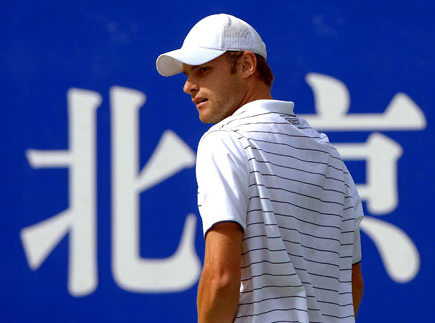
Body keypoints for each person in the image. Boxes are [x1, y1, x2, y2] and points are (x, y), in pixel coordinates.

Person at [156, 13, 364, 323]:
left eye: (203, 70)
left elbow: (221, 278)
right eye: (187, 74)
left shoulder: (225, 140)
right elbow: (352, 284)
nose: (188, 86)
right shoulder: (328, 152)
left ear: (246, 65)